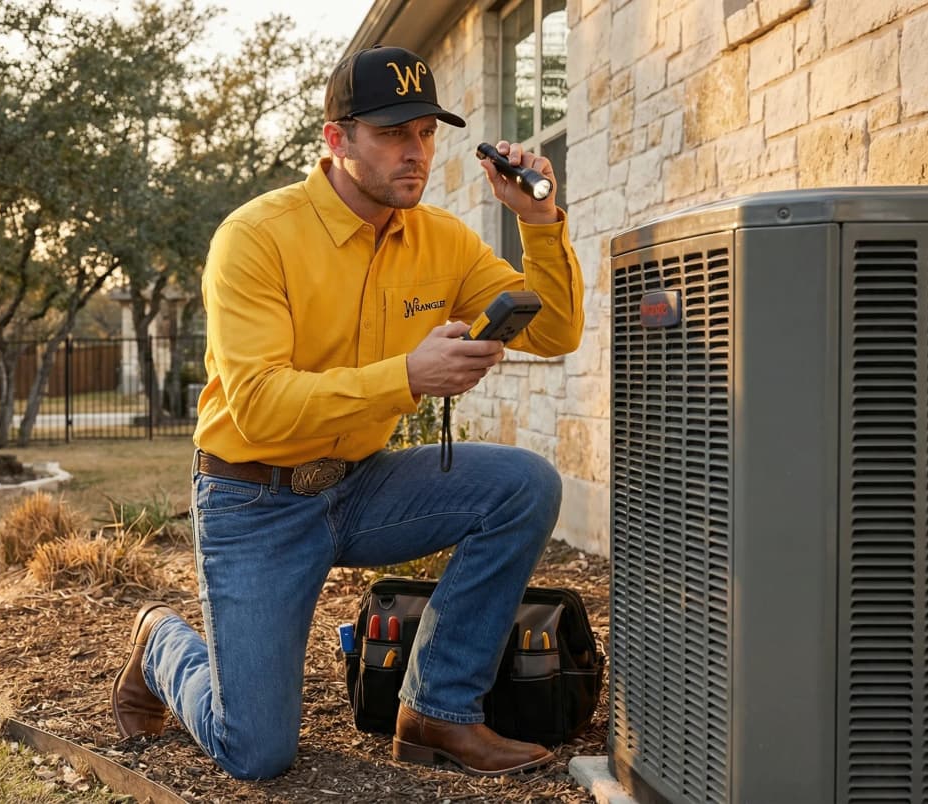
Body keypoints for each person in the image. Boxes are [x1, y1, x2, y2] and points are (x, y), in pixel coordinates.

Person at [110, 45, 584, 780]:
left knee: (523, 484)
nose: (416, 153)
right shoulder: (256, 237)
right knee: (256, 753)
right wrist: (407, 376)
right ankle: (163, 642)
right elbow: (261, 407)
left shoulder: (441, 240)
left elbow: (554, 330)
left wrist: (540, 219)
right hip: (253, 497)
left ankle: (438, 710)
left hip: (360, 488)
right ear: (336, 139)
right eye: (394, 134)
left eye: (427, 133)